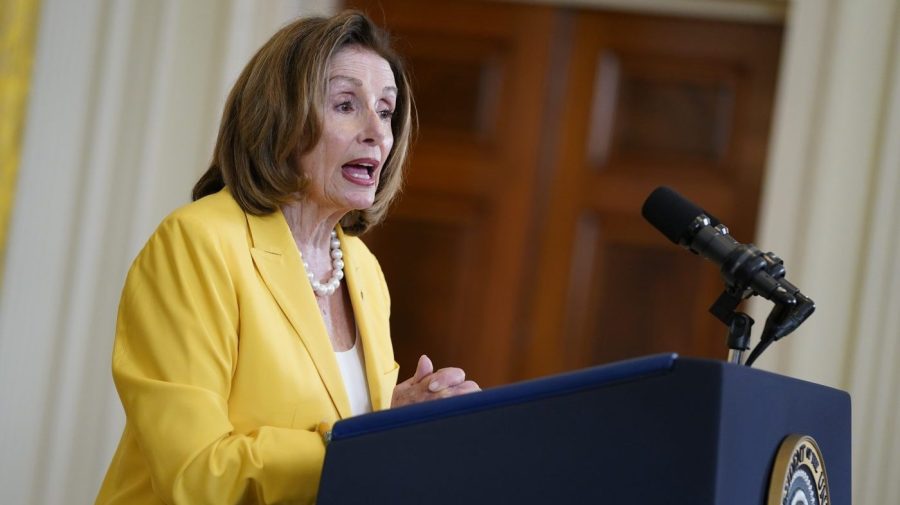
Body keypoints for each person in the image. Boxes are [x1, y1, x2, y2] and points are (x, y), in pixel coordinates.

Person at [95, 11, 479, 505]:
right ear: (282, 118)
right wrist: (366, 442)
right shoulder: (197, 243)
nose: (377, 133)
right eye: (346, 104)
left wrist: (398, 424)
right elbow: (197, 474)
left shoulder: (363, 270)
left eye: (385, 111)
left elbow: (345, 440)